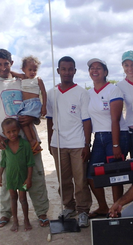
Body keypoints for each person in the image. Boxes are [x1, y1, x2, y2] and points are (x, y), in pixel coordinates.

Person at [0, 49, 49, 228]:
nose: (3, 67)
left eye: (6, 63)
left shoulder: (23, 81)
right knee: (9, 178)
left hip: (28, 138)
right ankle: (6, 213)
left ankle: (41, 212)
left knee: (36, 175)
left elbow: (35, 102)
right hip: (6, 141)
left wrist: (33, 118)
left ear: (11, 63)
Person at [46, 56, 93, 227]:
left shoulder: (81, 92)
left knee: (80, 180)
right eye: (63, 69)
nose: (67, 72)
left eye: (70, 69)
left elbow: (86, 120)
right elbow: (49, 118)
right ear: (58, 71)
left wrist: (87, 144)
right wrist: (49, 141)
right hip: (58, 143)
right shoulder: (52, 93)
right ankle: (69, 206)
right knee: (63, 179)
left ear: (74, 71)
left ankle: (83, 211)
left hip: (77, 143)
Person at [86, 58, 130, 218]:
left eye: (98, 68)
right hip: (99, 137)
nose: (95, 70)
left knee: (115, 175)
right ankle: (103, 207)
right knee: (91, 174)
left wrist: (116, 144)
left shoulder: (113, 90)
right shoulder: (89, 93)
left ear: (105, 72)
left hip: (116, 136)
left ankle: (116, 209)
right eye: (92, 68)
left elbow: (115, 120)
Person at [0, 118, 34, 232]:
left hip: (23, 179)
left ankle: (26, 220)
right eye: (8, 132)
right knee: (13, 198)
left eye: (14, 131)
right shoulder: (5, 146)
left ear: (18, 130)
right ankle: (15, 221)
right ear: (4, 134)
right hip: (11, 179)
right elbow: (3, 162)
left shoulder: (25, 144)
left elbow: (30, 163)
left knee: (23, 199)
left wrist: (28, 178)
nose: (12, 134)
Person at [10, 55, 47, 154]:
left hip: (34, 103)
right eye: (30, 69)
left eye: (35, 70)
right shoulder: (23, 77)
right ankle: (35, 143)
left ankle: (33, 142)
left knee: (25, 122)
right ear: (23, 69)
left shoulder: (38, 79)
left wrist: (44, 106)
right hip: (25, 105)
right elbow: (11, 73)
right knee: (25, 123)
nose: (32, 72)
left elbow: (43, 92)